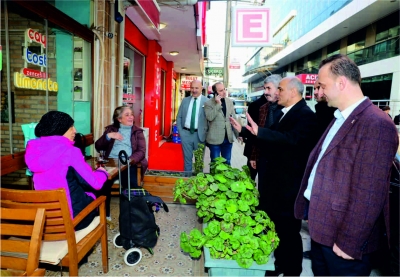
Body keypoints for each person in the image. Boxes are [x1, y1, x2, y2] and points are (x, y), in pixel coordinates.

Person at [294, 54, 399, 276]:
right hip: (322, 231)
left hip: (344, 242)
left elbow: (370, 193)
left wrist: (349, 242)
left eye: (322, 86)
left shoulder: (377, 124)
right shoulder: (339, 117)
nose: (319, 93)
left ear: (341, 83)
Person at [230, 76, 318, 276]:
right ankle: (279, 264)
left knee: (288, 232)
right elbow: (271, 140)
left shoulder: (305, 116)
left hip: (289, 188)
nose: (277, 92)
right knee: (276, 229)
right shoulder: (284, 113)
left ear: (293, 92)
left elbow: (290, 140)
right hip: (275, 186)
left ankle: (292, 270)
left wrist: (260, 132)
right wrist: (244, 130)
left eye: (281, 89)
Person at [25, 111, 109, 231]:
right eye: (70, 127)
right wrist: (102, 172)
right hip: (71, 220)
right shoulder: (70, 151)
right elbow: (95, 183)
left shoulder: (34, 149)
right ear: (60, 129)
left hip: (44, 219)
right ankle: (83, 246)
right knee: (97, 194)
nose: (75, 130)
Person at [95, 106, 148, 221]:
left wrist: (129, 160)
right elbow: (98, 146)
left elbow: (141, 152)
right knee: (102, 185)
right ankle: (104, 215)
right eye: (127, 115)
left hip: (128, 163)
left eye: (131, 114)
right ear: (119, 119)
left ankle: (130, 216)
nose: (131, 117)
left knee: (130, 186)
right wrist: (108, 136)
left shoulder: (137, 132)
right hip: (110, 163)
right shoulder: (110, 130)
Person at [175, 80, 208, 176]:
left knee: (199, 162)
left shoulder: (206, 101)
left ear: (201, 88)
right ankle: (187, 182)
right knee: (187, 160)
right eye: (192, 88)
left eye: (196, 88)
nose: (194, 90)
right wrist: (181, 132)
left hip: (200, 136)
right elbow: (179, 116)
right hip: (186, 134)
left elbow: (210, 119)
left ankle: (198, 184)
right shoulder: (185, 100)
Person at [204, 82, 238, 165]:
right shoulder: (208, 103)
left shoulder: (229, 102)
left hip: (228, 138)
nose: (224, 92)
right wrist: (218, 104)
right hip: (215, 140)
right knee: (215, 164)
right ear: (215, 93)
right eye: (221, 90)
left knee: (227, 163)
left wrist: (238, 134)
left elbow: (234, 119)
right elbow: (209, 117)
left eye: (224, 89)